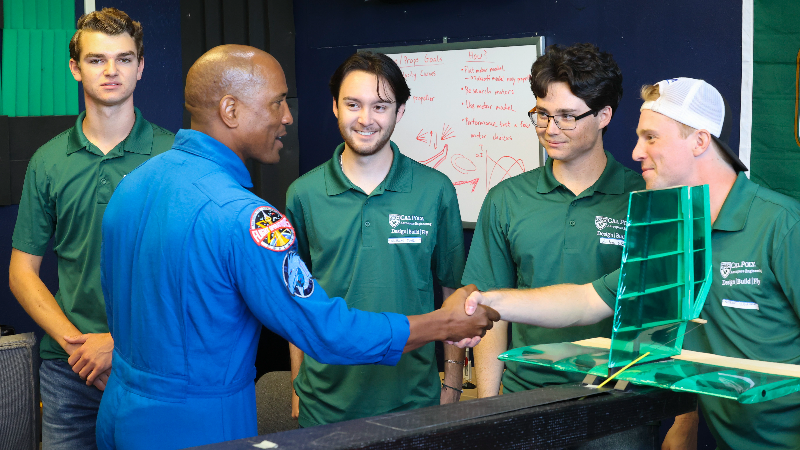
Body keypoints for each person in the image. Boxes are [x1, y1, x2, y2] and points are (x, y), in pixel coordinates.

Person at [96, 45, 498, 450]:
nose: (288, 116)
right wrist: (444, 324)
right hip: (199, 425)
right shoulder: (245, 216)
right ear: (231, 110)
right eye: (277, 103)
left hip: (119, 412)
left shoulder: (133, 184)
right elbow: (324, 331)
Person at [465, 78, 800, 450]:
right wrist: (489, 303)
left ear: (700, 141)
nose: (637, 151)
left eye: (651, 137)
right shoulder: (671, 229)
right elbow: (588, 300)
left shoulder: (782, 225)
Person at [8, 8, 174, 449]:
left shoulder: (174, 156)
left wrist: (117, 344)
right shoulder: (47, 161)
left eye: (123, 59)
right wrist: (79, 348)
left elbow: (190, 273)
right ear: (75, 68)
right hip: (68, 369)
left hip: (152, 360)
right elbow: (22, 272)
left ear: (140, 67)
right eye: (97, 59)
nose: (111, 70)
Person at [285, 51, 467, 427]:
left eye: (380, 106)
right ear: (335, 107)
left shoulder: (435, 191)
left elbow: (452, 292)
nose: (366, 119)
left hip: (413, 401)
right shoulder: (302, 194)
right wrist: (296, 383)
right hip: (325, 406)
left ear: (400, 112)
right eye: (353, 104)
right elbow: (296, 297)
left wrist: (452, 383)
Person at [463, 43, 644, 401]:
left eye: (567, 116)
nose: (550, 128)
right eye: (542, 114)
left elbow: (668, 317)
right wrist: (487, 405)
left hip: (618, 397)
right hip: (525, 394)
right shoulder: (506, 199)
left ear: (604, 115)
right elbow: (489, 310)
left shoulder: (643, 199)